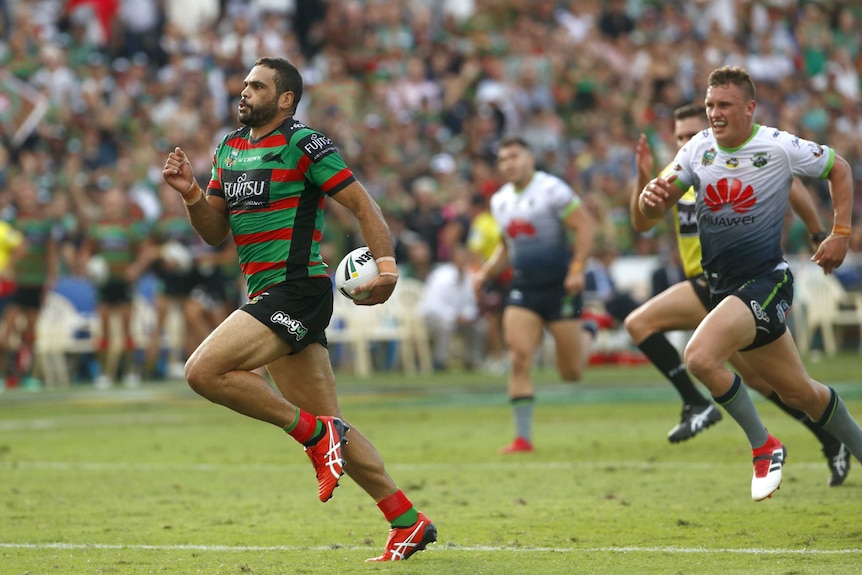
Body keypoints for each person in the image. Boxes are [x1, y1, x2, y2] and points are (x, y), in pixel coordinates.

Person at [161, 57, 435, 562]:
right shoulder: (230, 146)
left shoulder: (304, 143)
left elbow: (361, 204)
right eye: (244, 83)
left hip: (298, 288)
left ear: (285, 99)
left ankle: (314, 436)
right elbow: (216, 231)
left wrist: (388, 267)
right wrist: (194, 195)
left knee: (202, 371)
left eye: (257, 86)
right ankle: (405, 520)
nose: (244, 91)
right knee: (331, 421)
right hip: (267, 292)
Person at [639, 66, 862, 501]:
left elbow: (840, 169)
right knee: (801, 394)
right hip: (723, 290)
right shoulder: (696, 149)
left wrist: (839, 234)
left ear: (749, 108)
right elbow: (654, 210)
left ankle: (764, 446)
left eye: (724, 105)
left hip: (766, 282)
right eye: (709, 105)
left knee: (700, 358)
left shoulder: (777, 146)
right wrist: (652, 199)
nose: (714, 114)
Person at [473, 135, 596, 454]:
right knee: (519, 356)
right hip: (524, 288)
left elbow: (585, 226)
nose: (508, 164)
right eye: (503, 159)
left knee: (571, 373)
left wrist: (577, 267)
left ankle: (589, 331)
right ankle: (523, 438)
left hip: (560, 288)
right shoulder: (500, 200)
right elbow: (506, 246)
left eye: (514, 156)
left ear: (530, 159)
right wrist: (486, 273)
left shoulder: (552, 190)